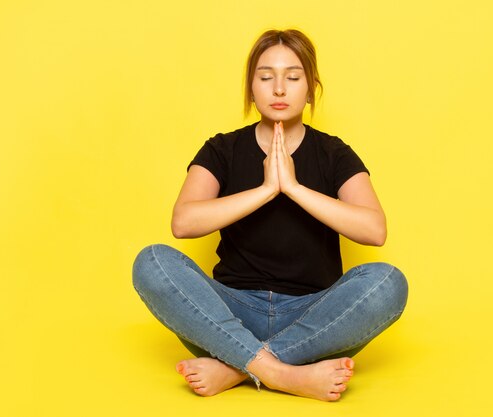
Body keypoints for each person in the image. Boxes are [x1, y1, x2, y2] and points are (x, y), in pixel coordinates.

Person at [132, 29, 408, 402]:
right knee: (151, 262)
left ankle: (236, 366)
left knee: (389, 283)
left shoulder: (334, 154)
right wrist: (265, 189)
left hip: (311, 315)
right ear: (251, 87)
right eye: (266, 77)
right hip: (229, 311)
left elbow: (375, 230)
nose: (279, 89)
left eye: (293, 78)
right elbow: (183, 223)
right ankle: (282, 374)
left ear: (310, 88)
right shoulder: (221, 149)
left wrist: (293, 188)